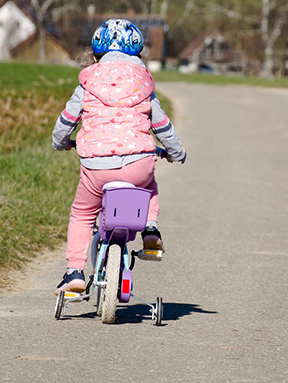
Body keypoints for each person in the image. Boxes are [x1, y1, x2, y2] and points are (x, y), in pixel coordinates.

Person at [51, 19, 186, 295]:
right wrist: (175, 152)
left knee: (82, 213)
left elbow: (66, 121)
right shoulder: (143, 84)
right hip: (138, 162)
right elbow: (162, 126)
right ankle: (150, 231)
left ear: (96, 52)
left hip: (96, 167)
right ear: (137, 53)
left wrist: (61, 143)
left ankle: (74, 272)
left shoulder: (87, 83)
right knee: (149, 186)